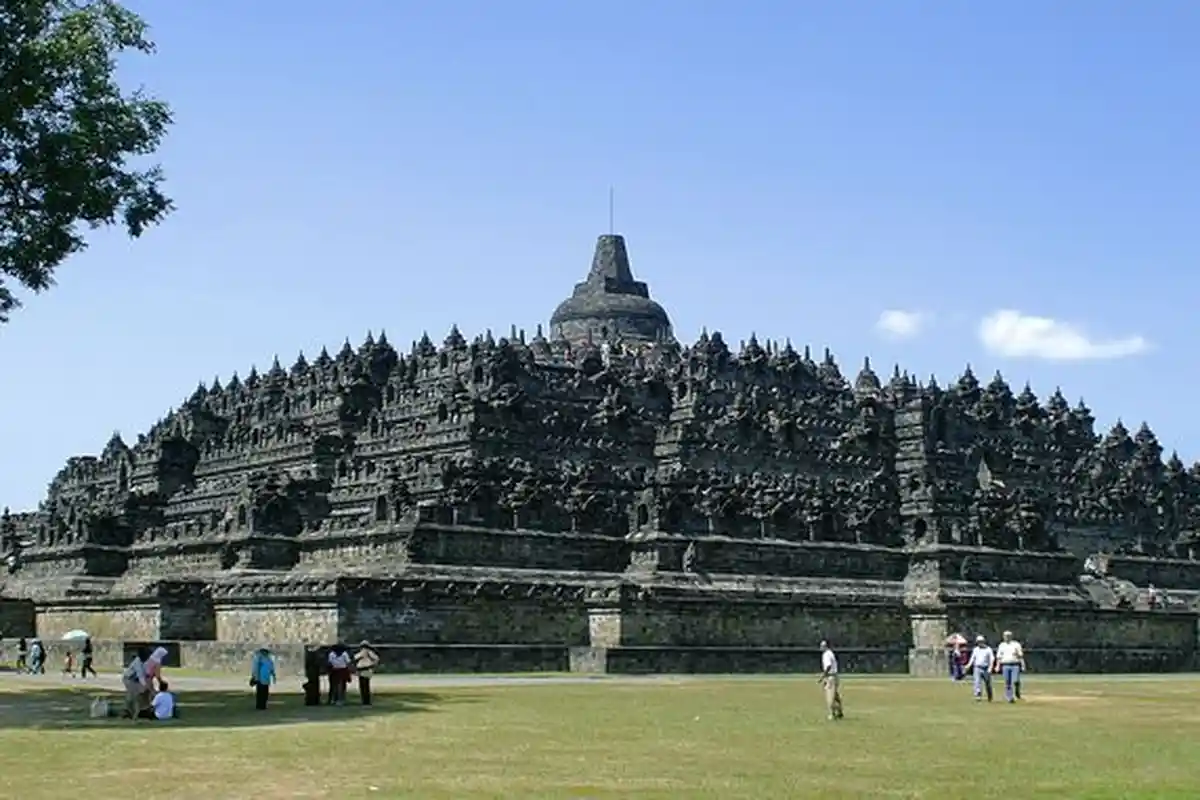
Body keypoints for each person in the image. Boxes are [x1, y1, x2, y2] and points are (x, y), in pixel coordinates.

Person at [996, 630, 1025, 703]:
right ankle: (1009, 697)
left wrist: (1023, 665)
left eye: (1008, 636)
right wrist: (997, 666)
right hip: (1005, 665)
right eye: (1005, 636)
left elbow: (1021, 656)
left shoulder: (1016, 644)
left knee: (1015, 680)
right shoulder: (1001, 645)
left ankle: (1017, 691)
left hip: (1015, 665)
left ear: (1011, 636)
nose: (1006, 637)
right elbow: (999, 657)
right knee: (1007, 682)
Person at [121, 648, 150, 719]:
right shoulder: (137, 662)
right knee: (133, 696)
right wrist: (145, 686)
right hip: (128, 678)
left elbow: (145, 673)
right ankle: (127, 712)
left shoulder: (144, 661)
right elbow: (140, 675)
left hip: (135, 680)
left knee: (140, 694)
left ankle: (141, 710)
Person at [818, 640, 843, 721]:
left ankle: (832, 714)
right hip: (835, 676)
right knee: (835, 695)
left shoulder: (826, 655)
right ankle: (839, 712)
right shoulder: (830, 653)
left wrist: (823, 676)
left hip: (830, 677)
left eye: (822, 646)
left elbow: (828, 666)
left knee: (830, 696)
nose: (820, 647)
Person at [965, 635, 995, 702]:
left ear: (983, 641)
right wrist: (968, 665)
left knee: (987, 683)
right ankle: (978, 695)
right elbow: (972, 658)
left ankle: (990, 696)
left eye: (981, 641)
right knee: (977, 682)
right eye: (978, 642)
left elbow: (992, 659)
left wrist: (990, 668)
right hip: (977, 668)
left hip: (985, 668)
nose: (979, 643)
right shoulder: (975, 649)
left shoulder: (988, 649)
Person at [353, 641, 380, 706]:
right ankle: (364, 701)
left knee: (365, 685)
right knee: (363, 685)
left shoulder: (369, 653)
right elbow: (355, 658)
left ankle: (366, 701)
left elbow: (376, 659)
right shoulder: (361, 653)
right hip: (361, 669)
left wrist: (373, 664)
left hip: (366, 669)